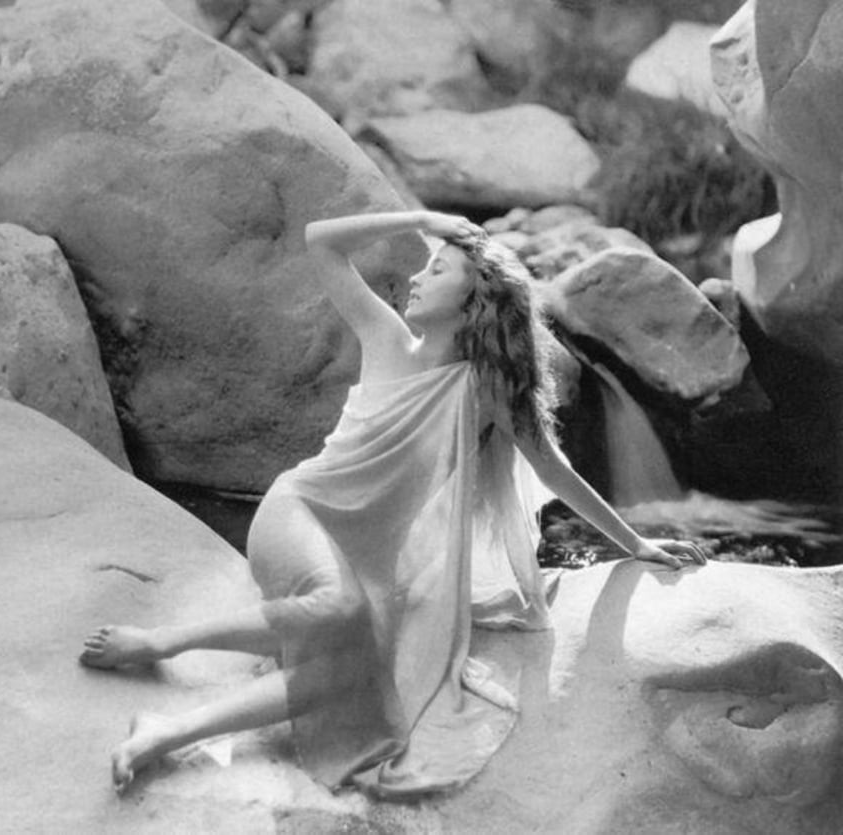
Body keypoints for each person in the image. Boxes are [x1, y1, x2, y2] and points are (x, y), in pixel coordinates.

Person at [79, 210, 707, 798]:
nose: (415, 274)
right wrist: (418, 220)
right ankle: (162, 642)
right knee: (339, 610)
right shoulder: (384, 336)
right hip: (296, 516)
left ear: (475, 299)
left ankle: (167, 730)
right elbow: (321, 240)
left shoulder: (486, 392)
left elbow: (553, 470)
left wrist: (638, 545)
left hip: (365, 569)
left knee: (350, 684)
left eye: (437, 269)